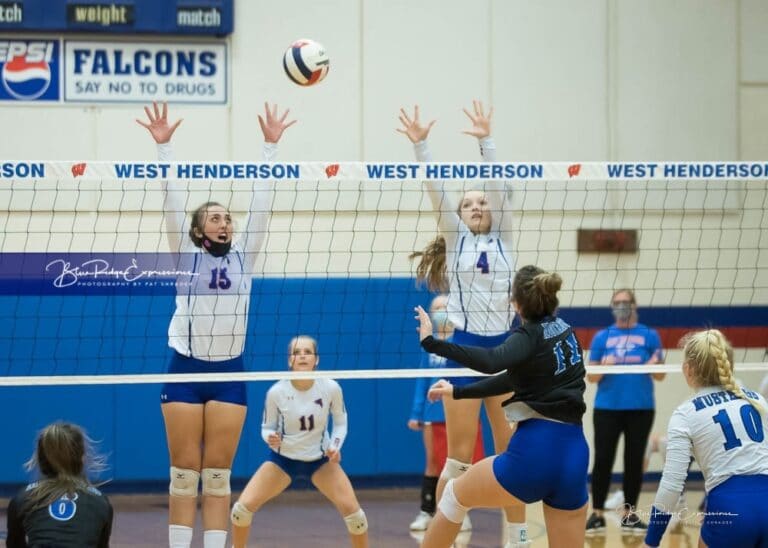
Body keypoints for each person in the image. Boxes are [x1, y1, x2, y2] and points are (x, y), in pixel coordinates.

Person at [137, 101, 296, 548]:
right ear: (199, 230)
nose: (225, 221)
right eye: (215, 217)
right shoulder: (186, 258)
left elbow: (262, 205)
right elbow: (171, 203)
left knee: (218, 476)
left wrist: (270, 147)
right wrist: (164, 149)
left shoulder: (245, 257)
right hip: (185, 372)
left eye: (228, 216)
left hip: (229, 374)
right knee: (184, 475)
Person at [399, 101, 528, 547]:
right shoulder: (456, 244)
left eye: (481, 202)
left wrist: (485, 142)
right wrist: (422, 147)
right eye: (467, 203)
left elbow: (499, 188)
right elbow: (436, 194)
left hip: (507, 352)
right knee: (455, 458)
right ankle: (450, 530)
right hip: (467, 350)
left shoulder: (505, 236)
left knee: (511, 453)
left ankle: (519, 537)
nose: (475, 207)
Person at [416, 265, 589, 548]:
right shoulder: (567, 332)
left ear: (516, 303)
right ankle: (517, 538)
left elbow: (491, 362)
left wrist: (432, 343)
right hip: (574, 455)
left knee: (453, 497)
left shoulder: (527, 337)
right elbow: (511, 379)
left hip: (535, 454)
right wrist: (458, 391)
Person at [230, 335, 368, 548]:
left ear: (316, 359)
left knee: (356, 518)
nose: (302, 356)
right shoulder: (276, 392)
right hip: (283, 460)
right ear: (289, 360)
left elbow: (340, 422)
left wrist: (335, 446)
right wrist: (270, 437)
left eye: (307, 352)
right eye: (296, 352)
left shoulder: (331, 388)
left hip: (320, 460)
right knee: (240, 511)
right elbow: (266, 427)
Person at [643, 329, 768, 548]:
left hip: (730, 509)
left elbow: (672, 485)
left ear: (687, 369)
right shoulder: (756, 399)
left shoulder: (686, 413)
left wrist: (651, 541)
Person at [585, 288, 666, 536]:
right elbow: (591, 376)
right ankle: (597, 514)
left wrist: (652, 365)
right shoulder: (602, 337)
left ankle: (629, 515)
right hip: (607, 408)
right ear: (612, 307)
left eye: (625, 302)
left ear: (634, 305)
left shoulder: (650, 335)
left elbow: (661, 375)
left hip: (641, 408)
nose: (621, 306)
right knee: (603, 461)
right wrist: (605, 366)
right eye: (617, 302)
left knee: (633, 463)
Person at [407, 294, 484, 532]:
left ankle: (461, 513)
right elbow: (422, 381)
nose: (441, 311)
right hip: (433, 414)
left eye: (445, 307)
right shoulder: (428, 344)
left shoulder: (461, 342)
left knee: (461, 465)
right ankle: (426, 511)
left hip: (460, 412)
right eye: (436, 308)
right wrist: (416, 413)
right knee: (432, 463)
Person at [6, 422, 113, 548]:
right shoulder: (100, 502)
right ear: (82, 458)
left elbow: (14, 544)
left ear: (40, 459)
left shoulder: (23, 499)